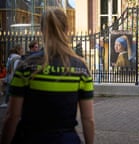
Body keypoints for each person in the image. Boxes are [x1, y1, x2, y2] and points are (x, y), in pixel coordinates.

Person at [0, 8, 95, 144]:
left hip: (30, 138)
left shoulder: (26, 66)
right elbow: (88, 119)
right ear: (67, 29)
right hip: (66, 139)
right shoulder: (80, 69)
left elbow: (12, 116)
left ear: (42, 30)